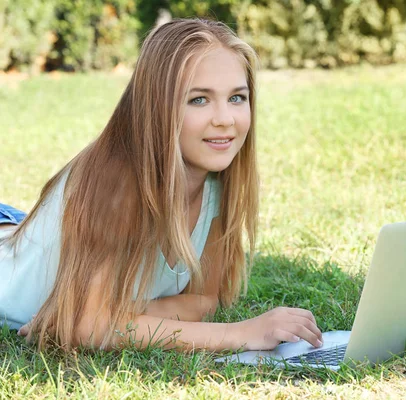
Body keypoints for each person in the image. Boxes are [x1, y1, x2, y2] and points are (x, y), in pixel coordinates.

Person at [0, 18, 323, 352]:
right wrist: (243, 333)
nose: (225, 118)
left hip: (19, 231)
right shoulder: (116, 184)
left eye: (237, 98)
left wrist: (114, 316)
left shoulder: (215, 182)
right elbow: (89, 328)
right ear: (156, 107)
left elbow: (204, 300)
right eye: (199, 99)